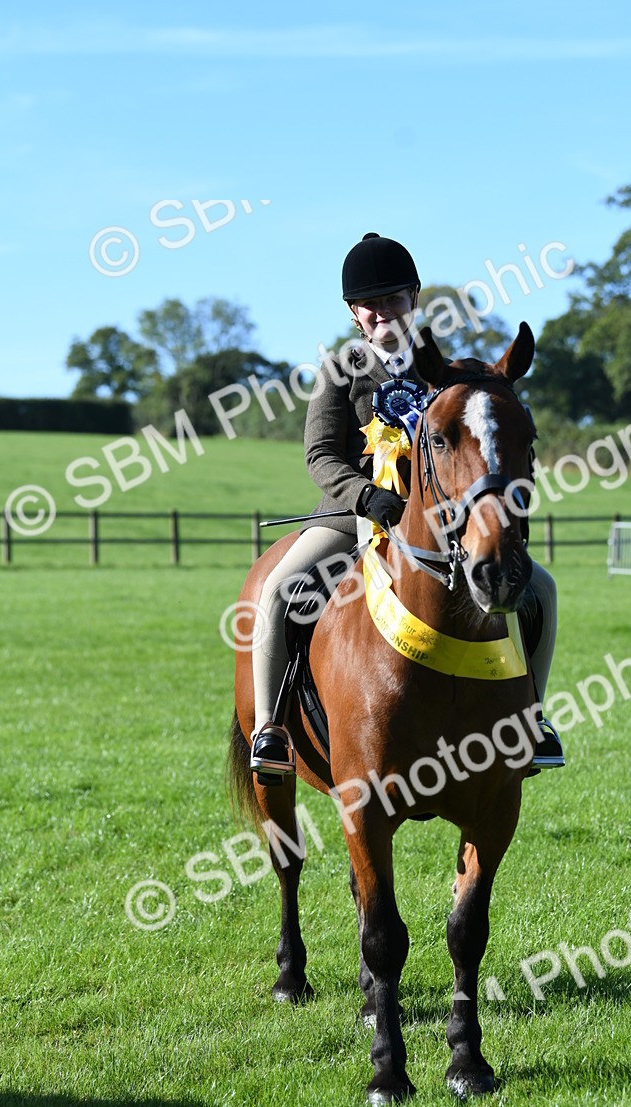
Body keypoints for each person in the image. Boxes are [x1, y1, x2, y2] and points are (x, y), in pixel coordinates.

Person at [249, 232, 564, 783]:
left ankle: (531, 719)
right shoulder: (341, 369)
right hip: (351, 517)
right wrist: (367, 497)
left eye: (393, 299)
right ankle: (270, 727)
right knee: (279, 589)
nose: (382, 313)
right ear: (353, 313)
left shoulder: (446, 370)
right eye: (369, 304)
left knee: (541, 588)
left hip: (442, 525)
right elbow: (320, 455)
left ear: (413, 298)